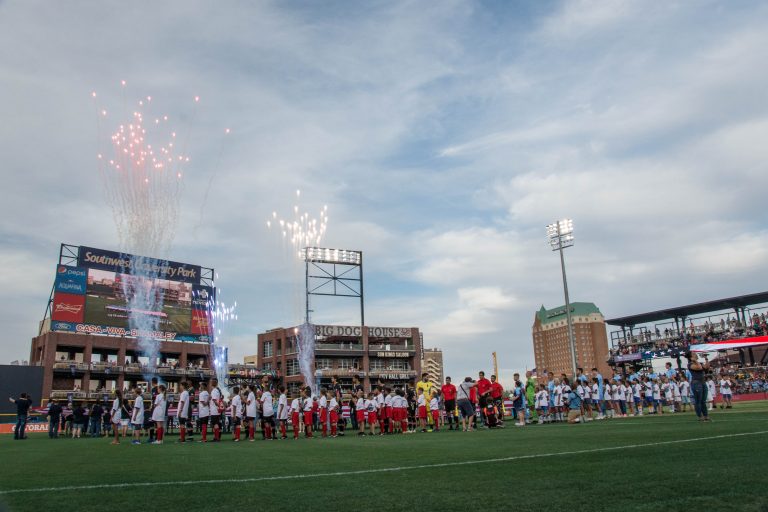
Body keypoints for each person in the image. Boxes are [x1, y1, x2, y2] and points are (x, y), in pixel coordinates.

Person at [687, 352, 710, 422]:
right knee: (698, 401)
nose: (696, 355)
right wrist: (695, 361)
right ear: (691, 357)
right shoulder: (690, 364)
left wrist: (706, 358)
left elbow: (706, 367)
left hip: (702, 382)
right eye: (694, 354)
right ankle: (700, 416)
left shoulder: (699, 363)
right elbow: (699, 368)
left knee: (703, 400)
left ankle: (706, 415)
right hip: (696, 383)